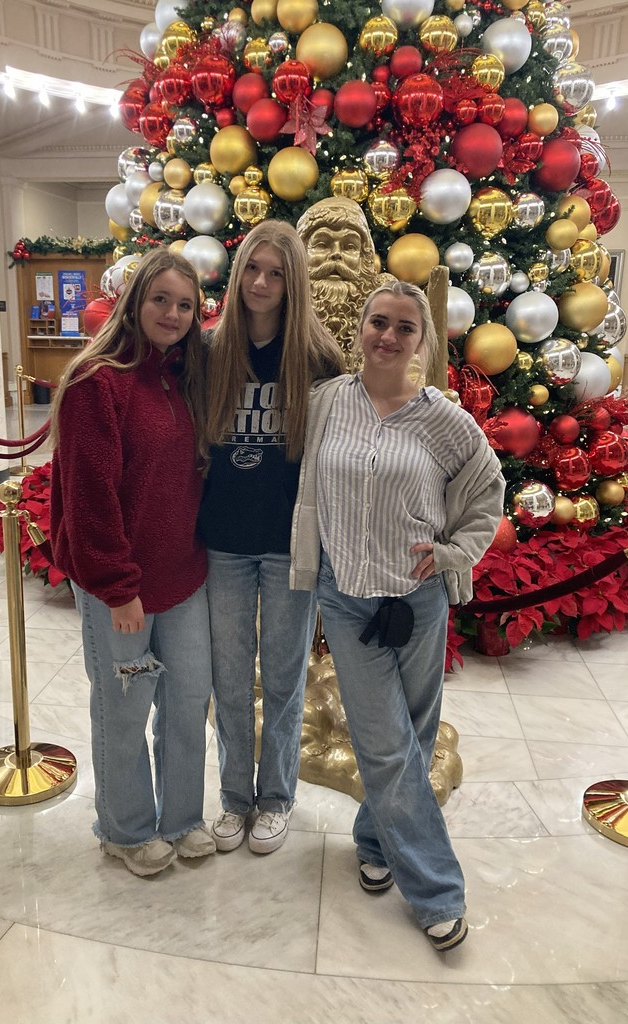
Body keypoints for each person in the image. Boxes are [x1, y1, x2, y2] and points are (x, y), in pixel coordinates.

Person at [290, 280, 505, 949]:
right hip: (347, 596)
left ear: (422, 342)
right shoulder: (327, 403)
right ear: (362, 328)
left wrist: (453, 553)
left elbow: (488, 492)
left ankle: (373, 840)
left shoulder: (444, 420)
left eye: (404, 327)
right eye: (378, 322)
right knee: (384, 743)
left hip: (417, 599)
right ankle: (437, 890)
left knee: (413, 731)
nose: (388, 336)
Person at [50, 248, 215, 877]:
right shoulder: (97, 382)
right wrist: (118, 588)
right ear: (135, 301)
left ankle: (182, 819)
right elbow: (89, 496)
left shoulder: (184, 377)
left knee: (186, 701)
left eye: (185, 305)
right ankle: (125, 829)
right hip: (121, 589)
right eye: (161, 299)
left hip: (183, 578)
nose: (172, 314)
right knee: (124, 707)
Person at [200, 220, 344, 855]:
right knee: (230, 678)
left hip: (290, 543)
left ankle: (277, 797)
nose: (261, 282)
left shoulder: (318, 358)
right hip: (224, 540)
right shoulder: (210, 349)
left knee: (284, 678)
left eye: (276, 273)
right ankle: (235, 797)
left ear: (293, 282)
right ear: (238, 275)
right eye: (252, 269)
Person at [296, 196, 390, 355]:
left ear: (364, 258)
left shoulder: (385, 307)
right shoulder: (280, 307)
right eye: (322, 245)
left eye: (350, 247)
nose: (336, 254)